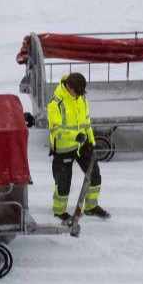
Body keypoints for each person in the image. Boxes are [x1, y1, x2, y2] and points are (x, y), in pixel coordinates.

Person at [48, 72, 109, 222]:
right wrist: (74, 136)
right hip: (63, 148)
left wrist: (92, 141)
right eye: (77, 91)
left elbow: (86, 122)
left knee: (94, 175)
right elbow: (55, 131)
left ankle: (91, 207)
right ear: (69, 86)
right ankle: (59, 211)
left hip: (82, 144)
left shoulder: (81, 97)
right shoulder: (56, 103)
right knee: (63, 182)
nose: (79, 95)